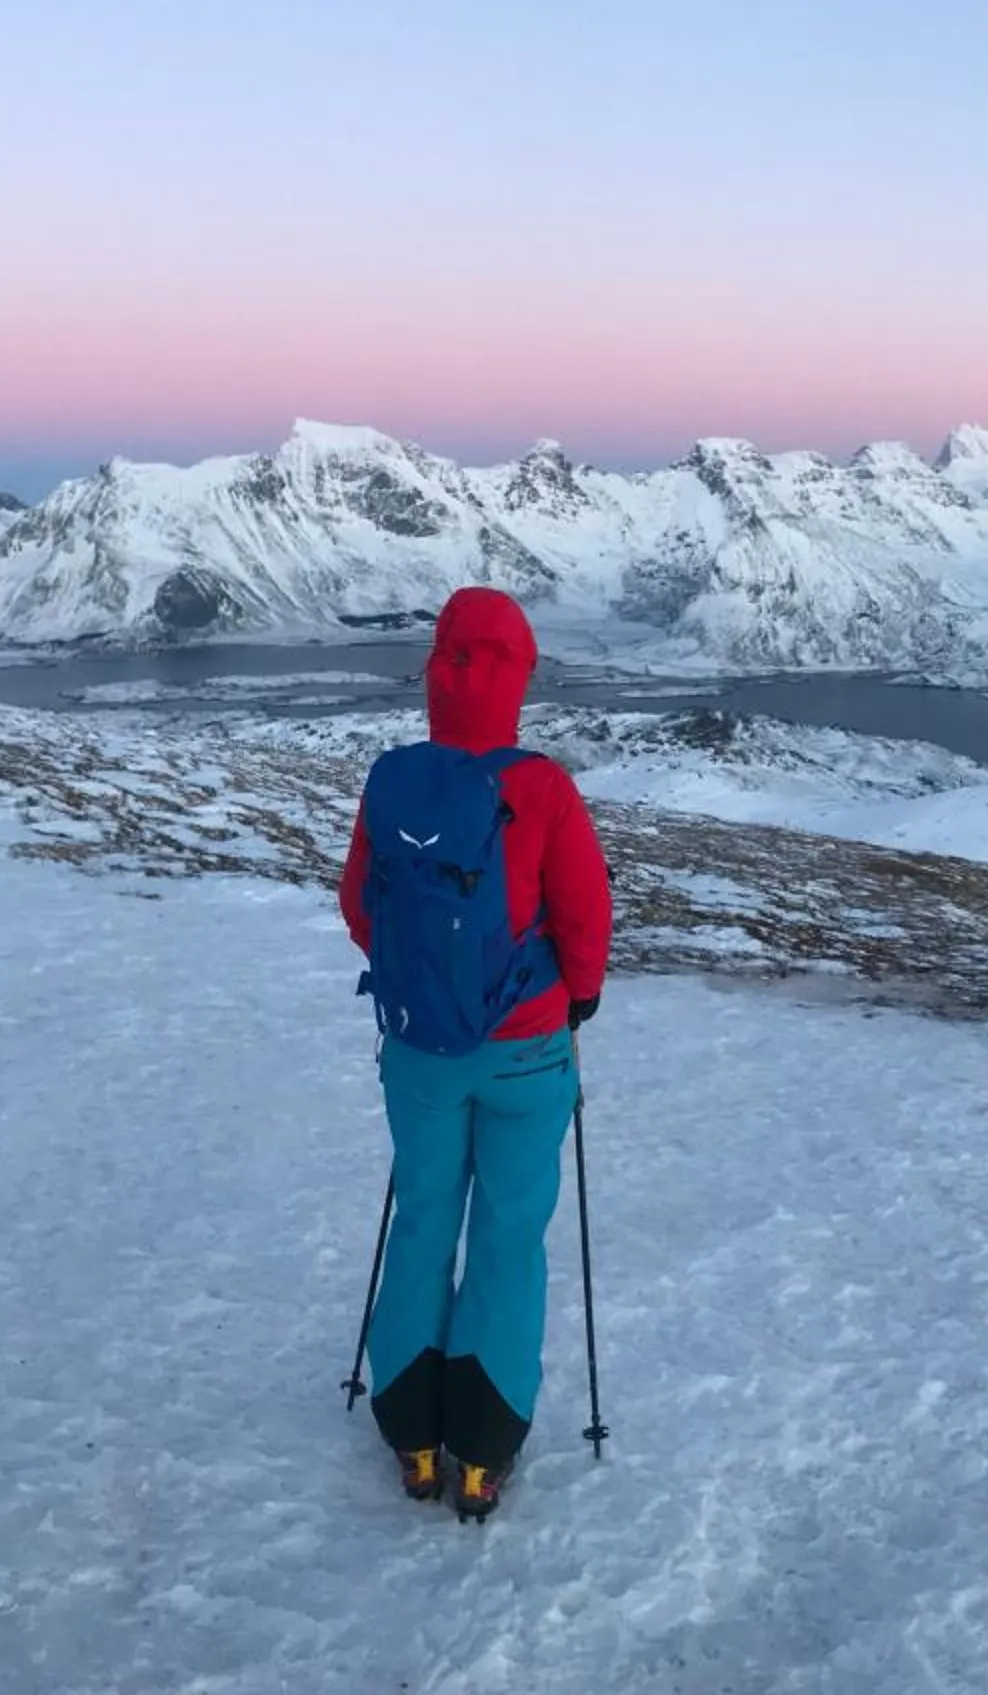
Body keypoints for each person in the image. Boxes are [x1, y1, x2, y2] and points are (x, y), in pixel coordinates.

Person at [338, 586, 612, 1520]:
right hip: (527, 1054)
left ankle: (411, 1433)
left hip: (419, 1052)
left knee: (421, 1222)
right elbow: (583, 916)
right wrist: (575, 998)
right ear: (517, 682)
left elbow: (361, 908)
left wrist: (422, 986)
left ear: (436, 677)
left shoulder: (390, 778)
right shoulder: (541, 787)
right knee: (507, 1238)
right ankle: (484, 1449)